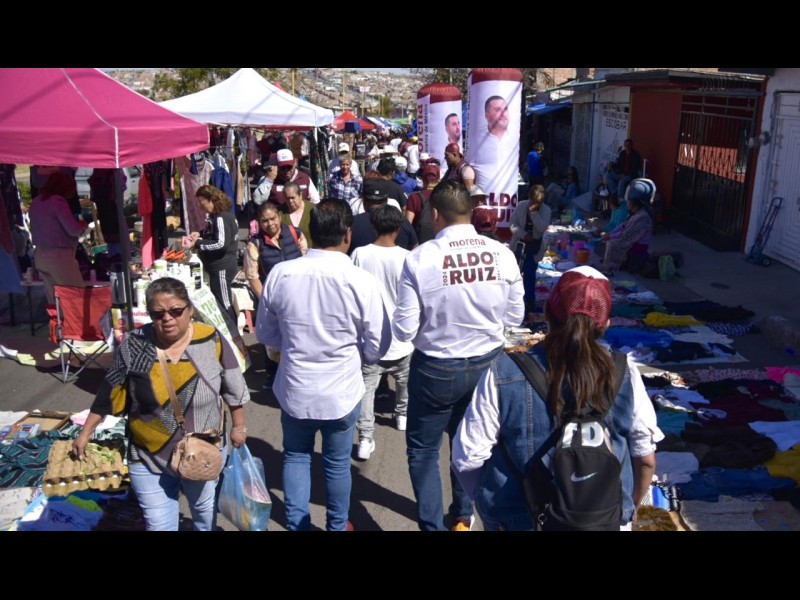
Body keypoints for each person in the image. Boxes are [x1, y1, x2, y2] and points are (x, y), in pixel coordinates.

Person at [451, 265, 663, 531]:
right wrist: (628, 511)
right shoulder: (625, 372)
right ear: (606, 323)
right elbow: (645, 458)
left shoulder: (503, 371)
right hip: (603, 521)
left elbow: (466, 458)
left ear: (547, 313)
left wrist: (487, 504)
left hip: (520, 520)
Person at [392, 180, 525, 531]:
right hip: (488, 363)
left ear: (435, 214)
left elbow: (404, 330)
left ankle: (432, 525)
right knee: (470, 442)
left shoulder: (419, 258)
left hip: (436, 366)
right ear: (470, 210)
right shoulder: (502, 254)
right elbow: (515, 318)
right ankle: (463, 515)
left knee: (423, 450)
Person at [255, 199, 392, 531]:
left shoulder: (282, 274)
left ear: (310, 233)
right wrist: (360, 355)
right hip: (341, 391)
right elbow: (378, 345)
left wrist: (292, 345)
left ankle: (297, 525)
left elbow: (266, 334)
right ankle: (336, 525)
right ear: (347, 235)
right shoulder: (361, 280)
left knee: (296, 456)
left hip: (296, 388)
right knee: (336, 464)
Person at [73, 277, 250, 531]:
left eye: (176, 311)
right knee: (159, 526)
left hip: (202, 451)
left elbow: (234, 387)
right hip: (148, 454)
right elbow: (109, 392)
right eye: (158, 313)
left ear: (190, 310)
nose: (167, 318)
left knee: (203, 514)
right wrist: (85, 432)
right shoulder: (135, 344)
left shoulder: (211, 340)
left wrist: (238, 427)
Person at [351, 204, 414, 459]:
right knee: (404, 382)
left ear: (374, 226)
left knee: (367, 391)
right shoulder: (408, 257)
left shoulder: (359, 254)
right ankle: (402, 415)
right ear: (398, 228)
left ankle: (365, 439)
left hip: (370, 337)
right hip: (401, 337)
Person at [244, 201, 308, 390]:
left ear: (279, 216)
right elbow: (252, 276)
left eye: (273, 218)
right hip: (270, 299)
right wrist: (266, 300)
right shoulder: (255, 244)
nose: (270, 224)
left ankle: (296, 372)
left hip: (297, 297)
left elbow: (306, 260)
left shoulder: (296, 233)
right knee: (271, 338)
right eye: (264, 221)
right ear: (259, 222)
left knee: (297, 335)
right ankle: (272, 374)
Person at [27, 170, 88, 304]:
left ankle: (57, 319)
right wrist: (82, 225)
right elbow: (73, 230)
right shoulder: (58, 201)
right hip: (59, 257)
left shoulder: (36, 202)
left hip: (40, 255)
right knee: (75, 298)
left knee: (54, 300)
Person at [190, 185, 240, 333]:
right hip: (219, 267)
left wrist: (198, 244)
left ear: (212, 200)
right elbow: (217, 234)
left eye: (202, 203)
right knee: (221, 301)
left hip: (222, 267)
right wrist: (200, 234)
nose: (201, 207)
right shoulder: (221, 215)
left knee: (225, 304)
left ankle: (233, 336)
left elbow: (221, 244)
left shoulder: (221, 217)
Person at [509, 184, 552, 318]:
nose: (535, 205)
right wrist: (523, 234)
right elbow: (512, 224)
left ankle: (529, 302)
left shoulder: (546, 210)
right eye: (534, 202)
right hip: (519, 244)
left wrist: (534, 213)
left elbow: (541, 228)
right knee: (514, 273)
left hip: (534, 246)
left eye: (538, 203)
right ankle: (512, 301)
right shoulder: (521, 206)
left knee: (529, 274)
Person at [601, 178, 655, 275]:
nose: (627, 205)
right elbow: (622, 226)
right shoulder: (634, 213)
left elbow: (626, 234)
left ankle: (609, 269)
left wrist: (610, 236)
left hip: (638, 246)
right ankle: (611, 263)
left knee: (612, 243)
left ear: (636, 206)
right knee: (608, 240)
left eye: (629, 203)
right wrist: (610, 233)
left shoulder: (642, 218)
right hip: (631, 240)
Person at [348, 180, 418, 255]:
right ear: (386, 200)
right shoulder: (401, 221)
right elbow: (414, 247)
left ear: (364, 201)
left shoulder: (352, 223)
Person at [404, 162, 441, 244]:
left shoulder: (414, 197)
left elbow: (408, 224)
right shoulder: (445, 196)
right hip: (440, 241)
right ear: (438, 180)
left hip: (420, 242)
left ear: (423, 179)